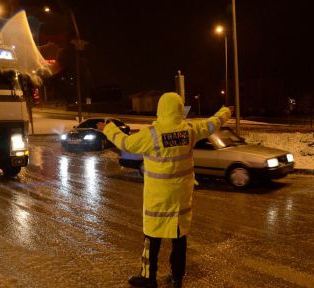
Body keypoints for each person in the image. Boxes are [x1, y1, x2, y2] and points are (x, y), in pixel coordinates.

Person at [98, 92, 232, 288]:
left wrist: (108, 128)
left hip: (158, 199)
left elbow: (125, 143)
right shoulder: (189, 130)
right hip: (180, 199)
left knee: (152, 239)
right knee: (179, 239)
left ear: (161, 109)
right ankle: (177, 277)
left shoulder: (152, 134)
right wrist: (226, 111)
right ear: (179, 109)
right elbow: (212, 124)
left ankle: (148, 277)